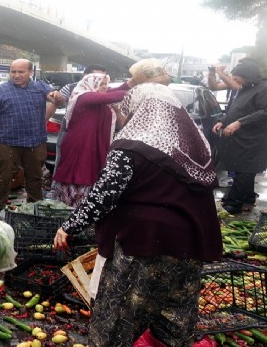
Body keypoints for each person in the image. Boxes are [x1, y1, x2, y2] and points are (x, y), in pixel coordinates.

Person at [53, 83, 222, 346]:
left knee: (119, 316)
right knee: (173, 316)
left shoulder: (131, 145)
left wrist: (69, 226)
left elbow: (104, 195)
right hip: (188, 245)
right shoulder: (194, 146)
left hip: (144, 246)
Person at [0, 59, 63, 218]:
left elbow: (54, 97)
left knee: (35, 177)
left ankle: (34, 208)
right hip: (7, 143)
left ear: (31, 72)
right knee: (3, 177)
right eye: (13, 72)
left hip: (35, 142)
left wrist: (57, 97)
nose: (16, 75)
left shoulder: (40, 87)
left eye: (21, 72)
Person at [51, 73, 127, 207]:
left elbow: (114, 91)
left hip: (93, 143)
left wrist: (133, 82)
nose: (104, 87)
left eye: (105, 84)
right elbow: (114, 95)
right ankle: (72, 208)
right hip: (80, 144)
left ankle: (85, 210)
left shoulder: (97, 97)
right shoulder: (84, 97)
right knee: (79, 172)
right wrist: (143, 89)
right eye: (101, 84)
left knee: (92, 171)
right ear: (91, 84)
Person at [212, 62, 267, 215]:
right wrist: (223, 121)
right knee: (244, 169)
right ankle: (247, 199)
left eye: (237, 78)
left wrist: (239, 123)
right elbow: (236, 108)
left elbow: (265, 112)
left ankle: (234, 205)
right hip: (241, 138)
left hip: (254, 139)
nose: (235, 81)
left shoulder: (264, 88)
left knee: (245, 170)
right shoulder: (246, 88)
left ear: (247, 76)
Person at [47, 64, 107, 177]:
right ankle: (60, 189)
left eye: (102, 77)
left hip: (97, 135)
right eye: (95, 76)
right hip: (70, 133)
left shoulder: (107, 91)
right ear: (85, 75)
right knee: (63, 163)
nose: (99, 81)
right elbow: (55, 104)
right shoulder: (71, 88)